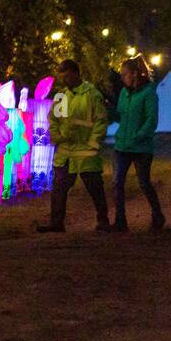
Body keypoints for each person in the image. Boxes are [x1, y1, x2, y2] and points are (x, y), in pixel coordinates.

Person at [39, 59, 111, 232]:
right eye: (62, 76)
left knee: (95, 187)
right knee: (59, 188)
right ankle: (56, 223)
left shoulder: (92, 94)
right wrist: (57, 136)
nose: (64, 79)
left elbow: (100, 121)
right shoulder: (62, 96)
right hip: (66, 151)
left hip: (86, 150)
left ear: (77, 73)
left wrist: (94, 142)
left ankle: (103, 221)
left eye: (67, 75)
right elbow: (54, 120)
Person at [110, 57, 165, 231]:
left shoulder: (148, 93)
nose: (122, 77)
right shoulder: (124, 93)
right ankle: (120, 221)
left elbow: (151, 119)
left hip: (141, 147)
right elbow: (120, 116)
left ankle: (157, 214)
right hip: (122, 146)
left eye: (124, 74)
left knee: (144, 182)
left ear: (134, 74)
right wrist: (110, 112)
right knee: (117, 182)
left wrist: (139, 136)